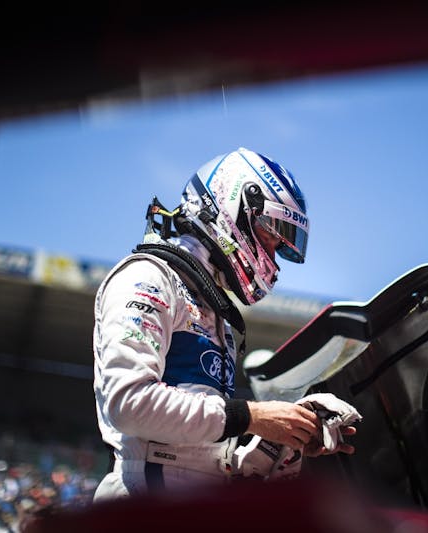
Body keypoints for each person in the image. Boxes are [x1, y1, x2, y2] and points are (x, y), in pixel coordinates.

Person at [92, 147, 357, 499]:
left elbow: (199, 446)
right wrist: (252, 416)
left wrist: (285, 437)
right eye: (271, 235)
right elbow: (129, 405)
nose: (273, 257)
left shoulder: (216, 313)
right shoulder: (148, 276)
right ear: (234, 205)